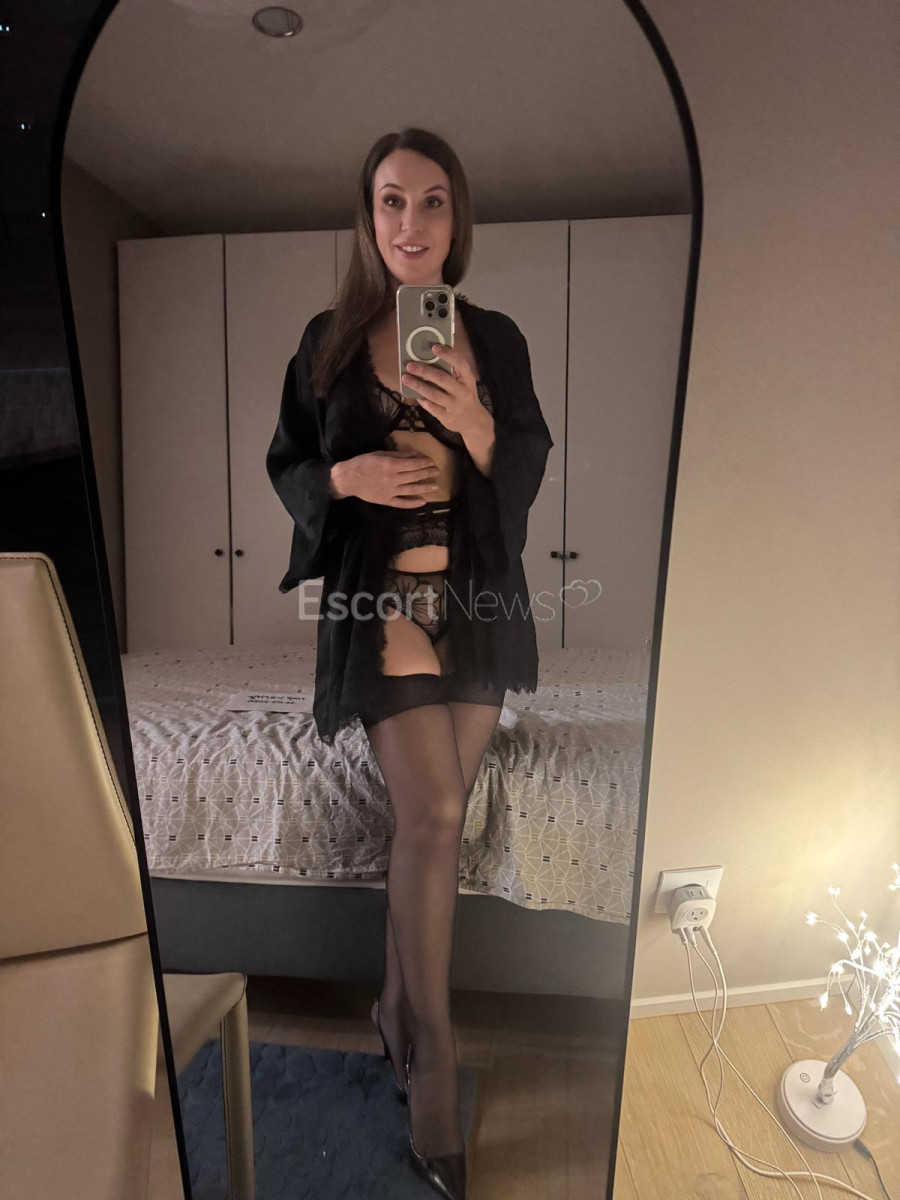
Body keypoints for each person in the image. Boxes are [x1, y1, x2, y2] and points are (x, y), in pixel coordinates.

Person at [266, 127, 553, 1200]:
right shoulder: (329, 339)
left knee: (439, 818)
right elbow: (291, 462)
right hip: (380, 598)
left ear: (455, 217)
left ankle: (393, 1006)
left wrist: (475, 424)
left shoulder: (496, 337)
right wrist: (347, 480)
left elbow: (524, 459)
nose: (412, 221)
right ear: (368, 218)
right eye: (392, 200)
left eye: (432, 201)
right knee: (432, 811)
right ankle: (434, 1064)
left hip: (475, 603)